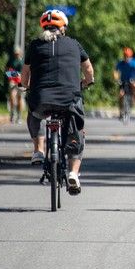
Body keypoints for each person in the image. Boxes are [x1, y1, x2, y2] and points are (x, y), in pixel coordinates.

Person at [22, 10, 94, 194]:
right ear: (63, 28)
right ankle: (73, 174)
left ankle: (38, 150)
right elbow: (88, 69)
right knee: (76, 131)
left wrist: (25, 86)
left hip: (41, 99)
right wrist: (87, 82)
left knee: (34, 113)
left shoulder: (34, 46)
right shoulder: (74, 45)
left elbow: (25, 75)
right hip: (69, 100)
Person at [113, 47, 135, 120]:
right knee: (121, 95)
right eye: (125, 56)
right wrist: (116, 79)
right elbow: (115, 71)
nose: (126, 58)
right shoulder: (121, 63)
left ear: (130, 56)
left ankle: (133, 97)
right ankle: (120, 112)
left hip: (132, 80)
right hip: (123, 81)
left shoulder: (133, 62)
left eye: (127, 56)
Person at [5, 48, 24, 123]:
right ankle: (12, 114)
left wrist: (18, 75)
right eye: (15, 53)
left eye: (18, 53)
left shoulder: (23, 61)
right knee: (12, 97)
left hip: (21, 81)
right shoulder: (11, 60)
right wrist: (13, 75)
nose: (16, 54)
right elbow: (7, 69)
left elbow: (24, 73)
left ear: (20, 53)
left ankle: (19, 116)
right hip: (13, 81)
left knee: (20, 98)